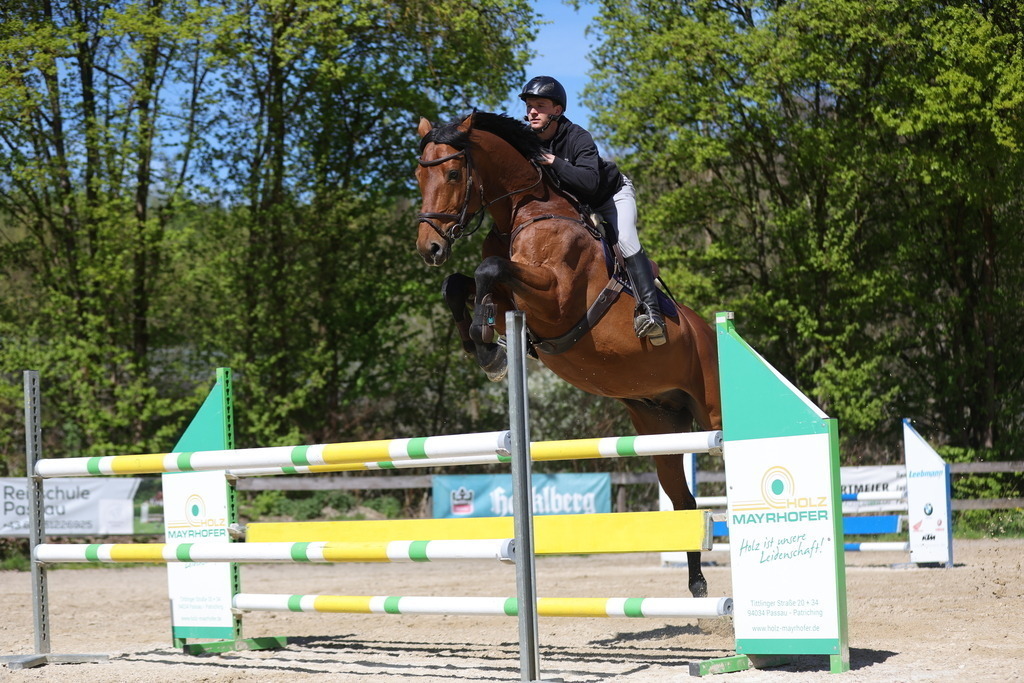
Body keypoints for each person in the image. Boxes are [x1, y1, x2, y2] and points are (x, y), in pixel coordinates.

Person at [518, 75, 666, 346]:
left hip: (610, 196)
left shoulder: (577, 137)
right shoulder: (527, 139)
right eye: (529, 106)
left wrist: (553, 161)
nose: (532, 111)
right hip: (577, 206)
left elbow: (589, 181)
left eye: (540, 105)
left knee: (625, 240)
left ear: (557, 111)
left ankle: (652, 313)